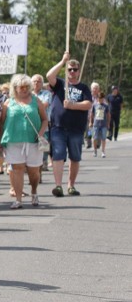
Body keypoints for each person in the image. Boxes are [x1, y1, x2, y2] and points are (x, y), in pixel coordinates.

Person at [0, 74, 48, 208]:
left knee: (34, 171)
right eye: (21, 87)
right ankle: (18, 200)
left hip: (33, 141)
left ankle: (34, 191)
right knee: (17, 169)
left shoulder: (36, 101)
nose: (24, 89)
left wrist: (41, 133)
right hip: (13, 140)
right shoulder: (8, 103)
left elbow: (45, 119)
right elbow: (2, 123)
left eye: (27, 87)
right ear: (15, 88)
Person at [46, 51, 93, 197]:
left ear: (79, 71)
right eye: (69, 69)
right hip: (58, 127)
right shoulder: (60, 84)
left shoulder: (83, 88)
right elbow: (49, 76)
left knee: (75, 157)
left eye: (75, 69)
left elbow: (88, 104)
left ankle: (71, 185)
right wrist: (62, 61)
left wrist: (72, 105)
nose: (72, 72)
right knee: (58, 155)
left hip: (76, 128)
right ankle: (58, 186)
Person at [32, 74, 53, 171]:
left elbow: (44, 105)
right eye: (34, 81)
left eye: (39, 81)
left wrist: (31, 108)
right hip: (30, 123)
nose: (36, 83)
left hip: (43, 122)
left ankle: (43, 161)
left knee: (43, 142)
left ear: (42, 83)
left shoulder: (46, 94)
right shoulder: (28, 94)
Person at [89, 92, 110, 158]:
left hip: (103, 124)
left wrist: (108, 123)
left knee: (103, 138)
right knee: (94, 138)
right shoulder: (94, 105)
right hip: (96, 124)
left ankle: (103, 151)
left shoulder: (106, 106)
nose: (100, 99)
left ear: (103, 98)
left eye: (101, 98)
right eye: (99, 98)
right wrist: (90, 122)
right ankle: (95, 151)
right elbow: (91, 114)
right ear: (97, 98)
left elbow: (108, 115)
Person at [86, 82, 100, 149]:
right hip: (88, 115)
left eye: (96, 88)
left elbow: (105, 104)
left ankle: (98, 142)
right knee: (89, 130)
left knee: (98, 130)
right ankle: (89, 142)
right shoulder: (88, 96)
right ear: (91, 89)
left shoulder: (100, 96)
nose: (95, 90)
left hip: (98, 116)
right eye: (94, 88)